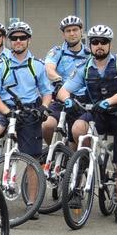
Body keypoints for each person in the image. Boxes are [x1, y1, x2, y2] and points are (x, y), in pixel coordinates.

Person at [58, 25, 117, 225]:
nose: (99, 46)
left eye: (103, 42)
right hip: (99, 114)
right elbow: (63, 89)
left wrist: (109, 101)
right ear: (90, 45)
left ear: (109, 44)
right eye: (95, 42)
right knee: (77, 128)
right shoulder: (84, 68)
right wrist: (66, 99)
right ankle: (83, 162)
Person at [0, 21, 52, 219]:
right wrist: (6, 111)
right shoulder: (0, 65)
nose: (18, 41)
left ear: (28, 40)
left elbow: (47, 92)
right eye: (14, 38)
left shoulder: (37, 65)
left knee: (32, 158)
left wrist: (44, 107)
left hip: (29, 111)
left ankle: (32, 202)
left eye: (22, 38)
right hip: (5, 110)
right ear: (9, 41)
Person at [42, 15, 91, 146]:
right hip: (62, 98)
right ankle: (53, 151)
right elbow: (49, 69)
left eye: (75, 30)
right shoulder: (57, 51)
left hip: (82, 100)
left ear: (81, 31)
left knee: (76, 140)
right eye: (68, 31)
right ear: (63, 34)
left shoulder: (89, 54)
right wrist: (58, 81)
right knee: (47, 125)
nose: (72, 33)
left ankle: (81, 160)